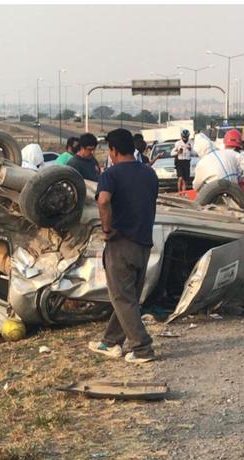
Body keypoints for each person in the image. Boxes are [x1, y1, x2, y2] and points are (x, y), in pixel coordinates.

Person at [87, 128, 159, 364]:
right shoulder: (149, 174)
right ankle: (110, 342)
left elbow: (104, 200)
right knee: (128, 297)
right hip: (144, 243)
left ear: (113, 150)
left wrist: (107, 230)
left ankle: (142, 349)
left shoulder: (111, 174)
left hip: (121, 242)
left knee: (122, 298)